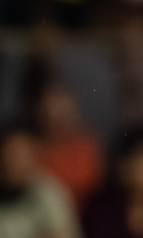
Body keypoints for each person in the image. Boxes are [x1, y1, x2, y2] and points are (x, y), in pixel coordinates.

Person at [33, 79, 103, 208]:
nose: (54, 114)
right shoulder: (31, 148)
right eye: (47, 107)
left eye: (61, 107)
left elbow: (92, 191)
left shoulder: (87, 147)